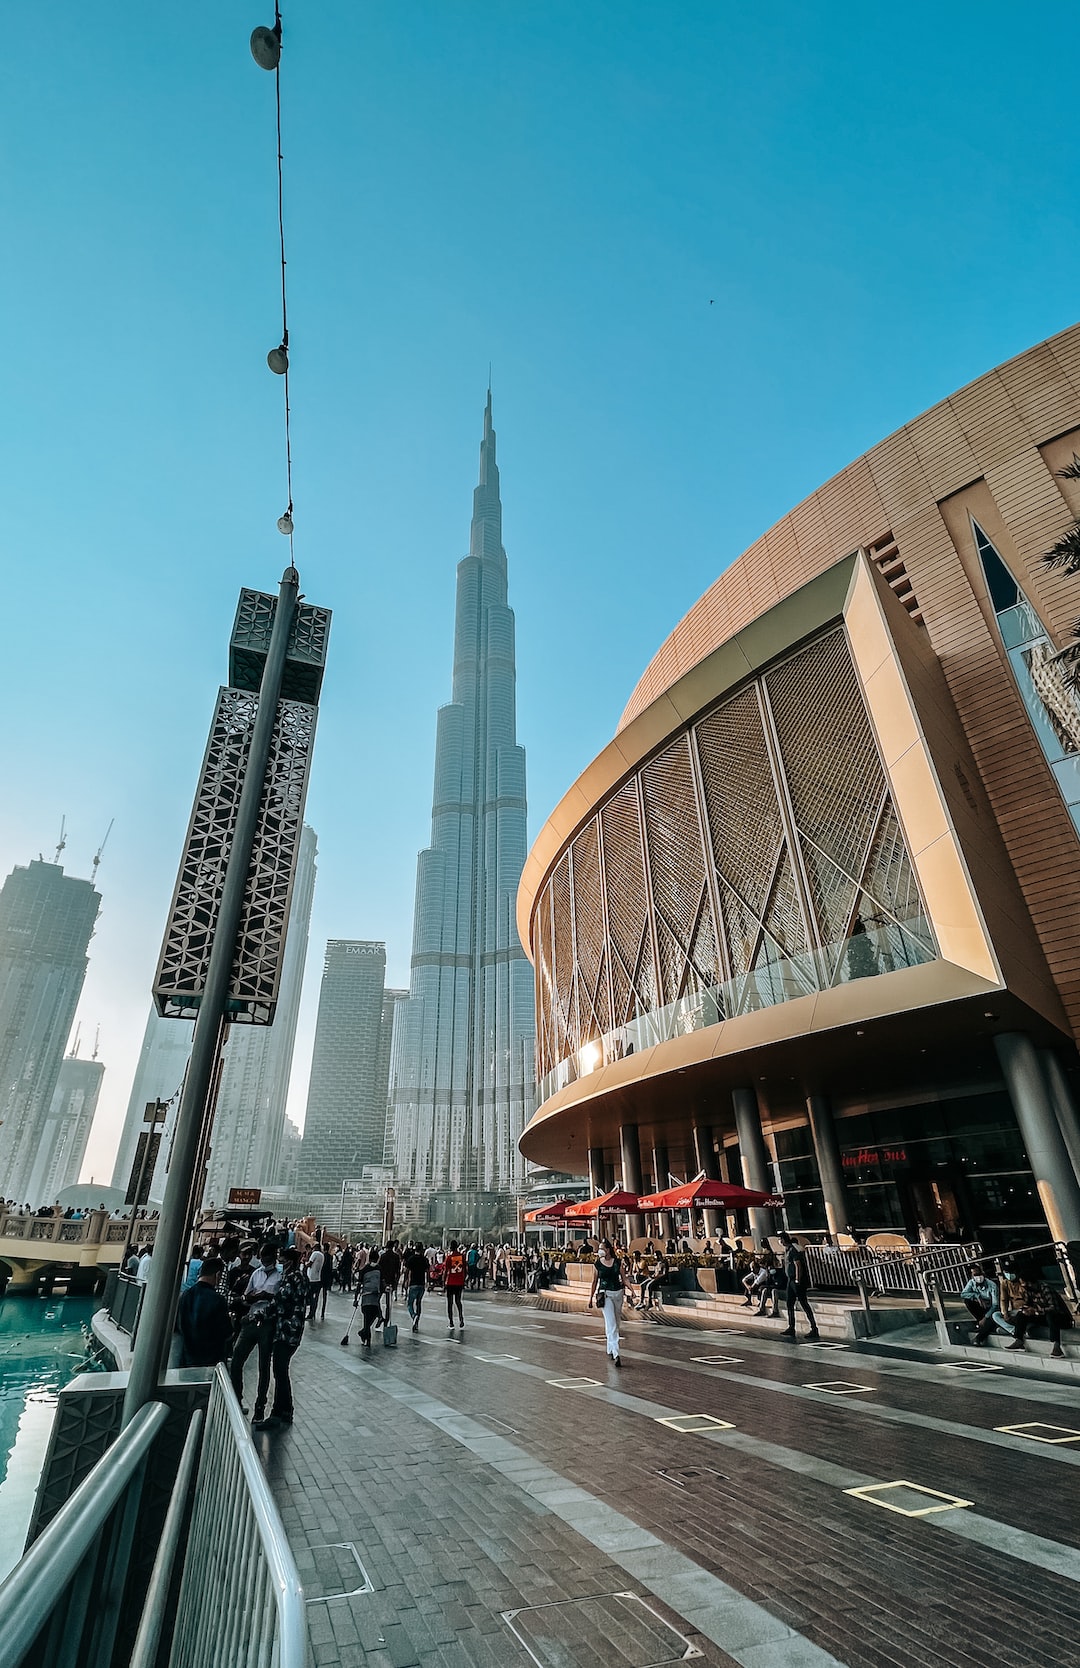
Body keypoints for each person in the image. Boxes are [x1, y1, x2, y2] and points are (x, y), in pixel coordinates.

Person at [254, 1247, 308, 1430]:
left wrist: (261, 1313)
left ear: (290, 1262)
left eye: (282, 1260)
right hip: (291, 1330)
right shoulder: (297, 1277)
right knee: (281, 1369)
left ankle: (277, 1412)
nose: (280, 1264)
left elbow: (280, 1301)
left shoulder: (294, 1278)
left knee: (279, 1370)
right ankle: (286, 1410)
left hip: (287, 1330)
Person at [231, 1244, 281, 1420]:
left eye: (267, 1258)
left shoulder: (280, 1276)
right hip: (252, 1319)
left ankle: (260, 1405)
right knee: (237, 1359)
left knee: (264, 1366)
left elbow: (280, 1300)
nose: (264, 1261)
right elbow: (247, 1297)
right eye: (262, 1258)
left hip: (268, 1323)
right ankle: (237, 1397)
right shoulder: (256, 1274)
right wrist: (250, 1299)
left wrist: (268, 1297)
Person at [1001, 1267, 1071, 1358]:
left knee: (1051, 1315)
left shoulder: (1045, 1288)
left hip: (1061, 1319)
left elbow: (1054, 1308)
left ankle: (1057, 1346)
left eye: (1023, 1283)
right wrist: (1026, 1310)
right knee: (1021, 1314)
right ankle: (1019, 1340)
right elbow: (1029, 1304)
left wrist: (1036, 1311)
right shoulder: (1030, 1291)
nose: (1022, 1285)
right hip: (1043, 1316)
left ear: (1029, 1282)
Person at [177, 1255, 233, 1367]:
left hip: (187, 1356)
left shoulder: (185, 1295)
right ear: (217, 1275)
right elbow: (226, 1331)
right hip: (210, 1359)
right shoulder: (217, 1299)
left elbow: (179, 1325)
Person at [589, 1240, 626, 1366]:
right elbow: (594, 1281)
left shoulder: (617, 1262)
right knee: (612, 1323)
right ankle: (616, 1352)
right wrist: (590, 1298)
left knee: (615, 1321)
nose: (600, 1250)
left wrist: (632, 1290)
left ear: (608, 1249)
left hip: (618, 1293)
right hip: (605, 1295)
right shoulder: (597, 1264)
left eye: (602, 1248)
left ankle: (610, 1347)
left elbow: (624, 1278)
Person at [778, 1232, 819, 1341]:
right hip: (790, 1280)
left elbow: (798, 1265)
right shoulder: (787, 1250)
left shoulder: (793, 1250)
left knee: (803, 1303)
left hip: (796, 1280)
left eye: (780, 1239)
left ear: (784, 1239)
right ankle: (791, 1326)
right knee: (789, 1303)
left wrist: (797, 1279)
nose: (780, 1241)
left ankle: (814, 1328)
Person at [959, 1263, 1012, 1345]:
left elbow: (995, 1305)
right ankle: (981, 1322)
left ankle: (979, 1337)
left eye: (979, 1273)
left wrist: (985, 1317)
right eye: (975, 1274)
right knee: (968, 1301)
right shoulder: (971, 1282)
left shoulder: (992, 1285)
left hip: (991, 1309)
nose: (978, 1277)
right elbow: (963, 1294)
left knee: (991, 1318)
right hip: (982, 1307)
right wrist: (977, 1296)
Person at [356, 1257, 384, 1346]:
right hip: (375, 1296)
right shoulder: (379, 1268)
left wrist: (355, 1299)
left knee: (366, 1318)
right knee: (374, 1314)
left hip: (366, 1297)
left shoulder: (364, 1269)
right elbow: (382, 1282)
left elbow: (359, 1285)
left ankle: (365, 1335)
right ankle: (366, 1336)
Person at [403, 1242, 429, 1332]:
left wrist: (406, 1281)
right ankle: (417, 1322)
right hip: (421, 1284)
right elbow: (427, 1271)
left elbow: (407, 1271)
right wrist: (428, 1282)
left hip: (413, 1284)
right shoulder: (424, 1260)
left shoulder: (411, 1259)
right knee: (418, 1303)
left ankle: (414, 1316)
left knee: (410, 1304)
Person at [444, 1240, 467, 1330]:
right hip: (459, 1282)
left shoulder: (449, 1257)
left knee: (450, 1303)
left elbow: (446, 1271)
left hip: (450, 1282)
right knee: (458, 1301)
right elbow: (465, 1268)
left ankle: (451, 1322)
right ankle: (461, 1318)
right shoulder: (462, 1257)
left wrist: (443, 1282)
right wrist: (464, 1279)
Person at [304, 1242, 324, 1321]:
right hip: (318, 1278)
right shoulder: (322, 1255)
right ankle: (313, 1313)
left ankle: (309, 1313)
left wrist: (305, 1263)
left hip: (311, 1278)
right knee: (315, 1297)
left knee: (309, 1296)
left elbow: (309, 1264)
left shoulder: (314, 1253)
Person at [318, 1239, 336, 1319]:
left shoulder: (322, 1256)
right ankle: (322, 1313)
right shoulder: (330, 1257)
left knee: (317, 1294)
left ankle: (314, 1311)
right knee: (325, 1296)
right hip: (327, 1278)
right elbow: (330, 1267)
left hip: (321, 1277)